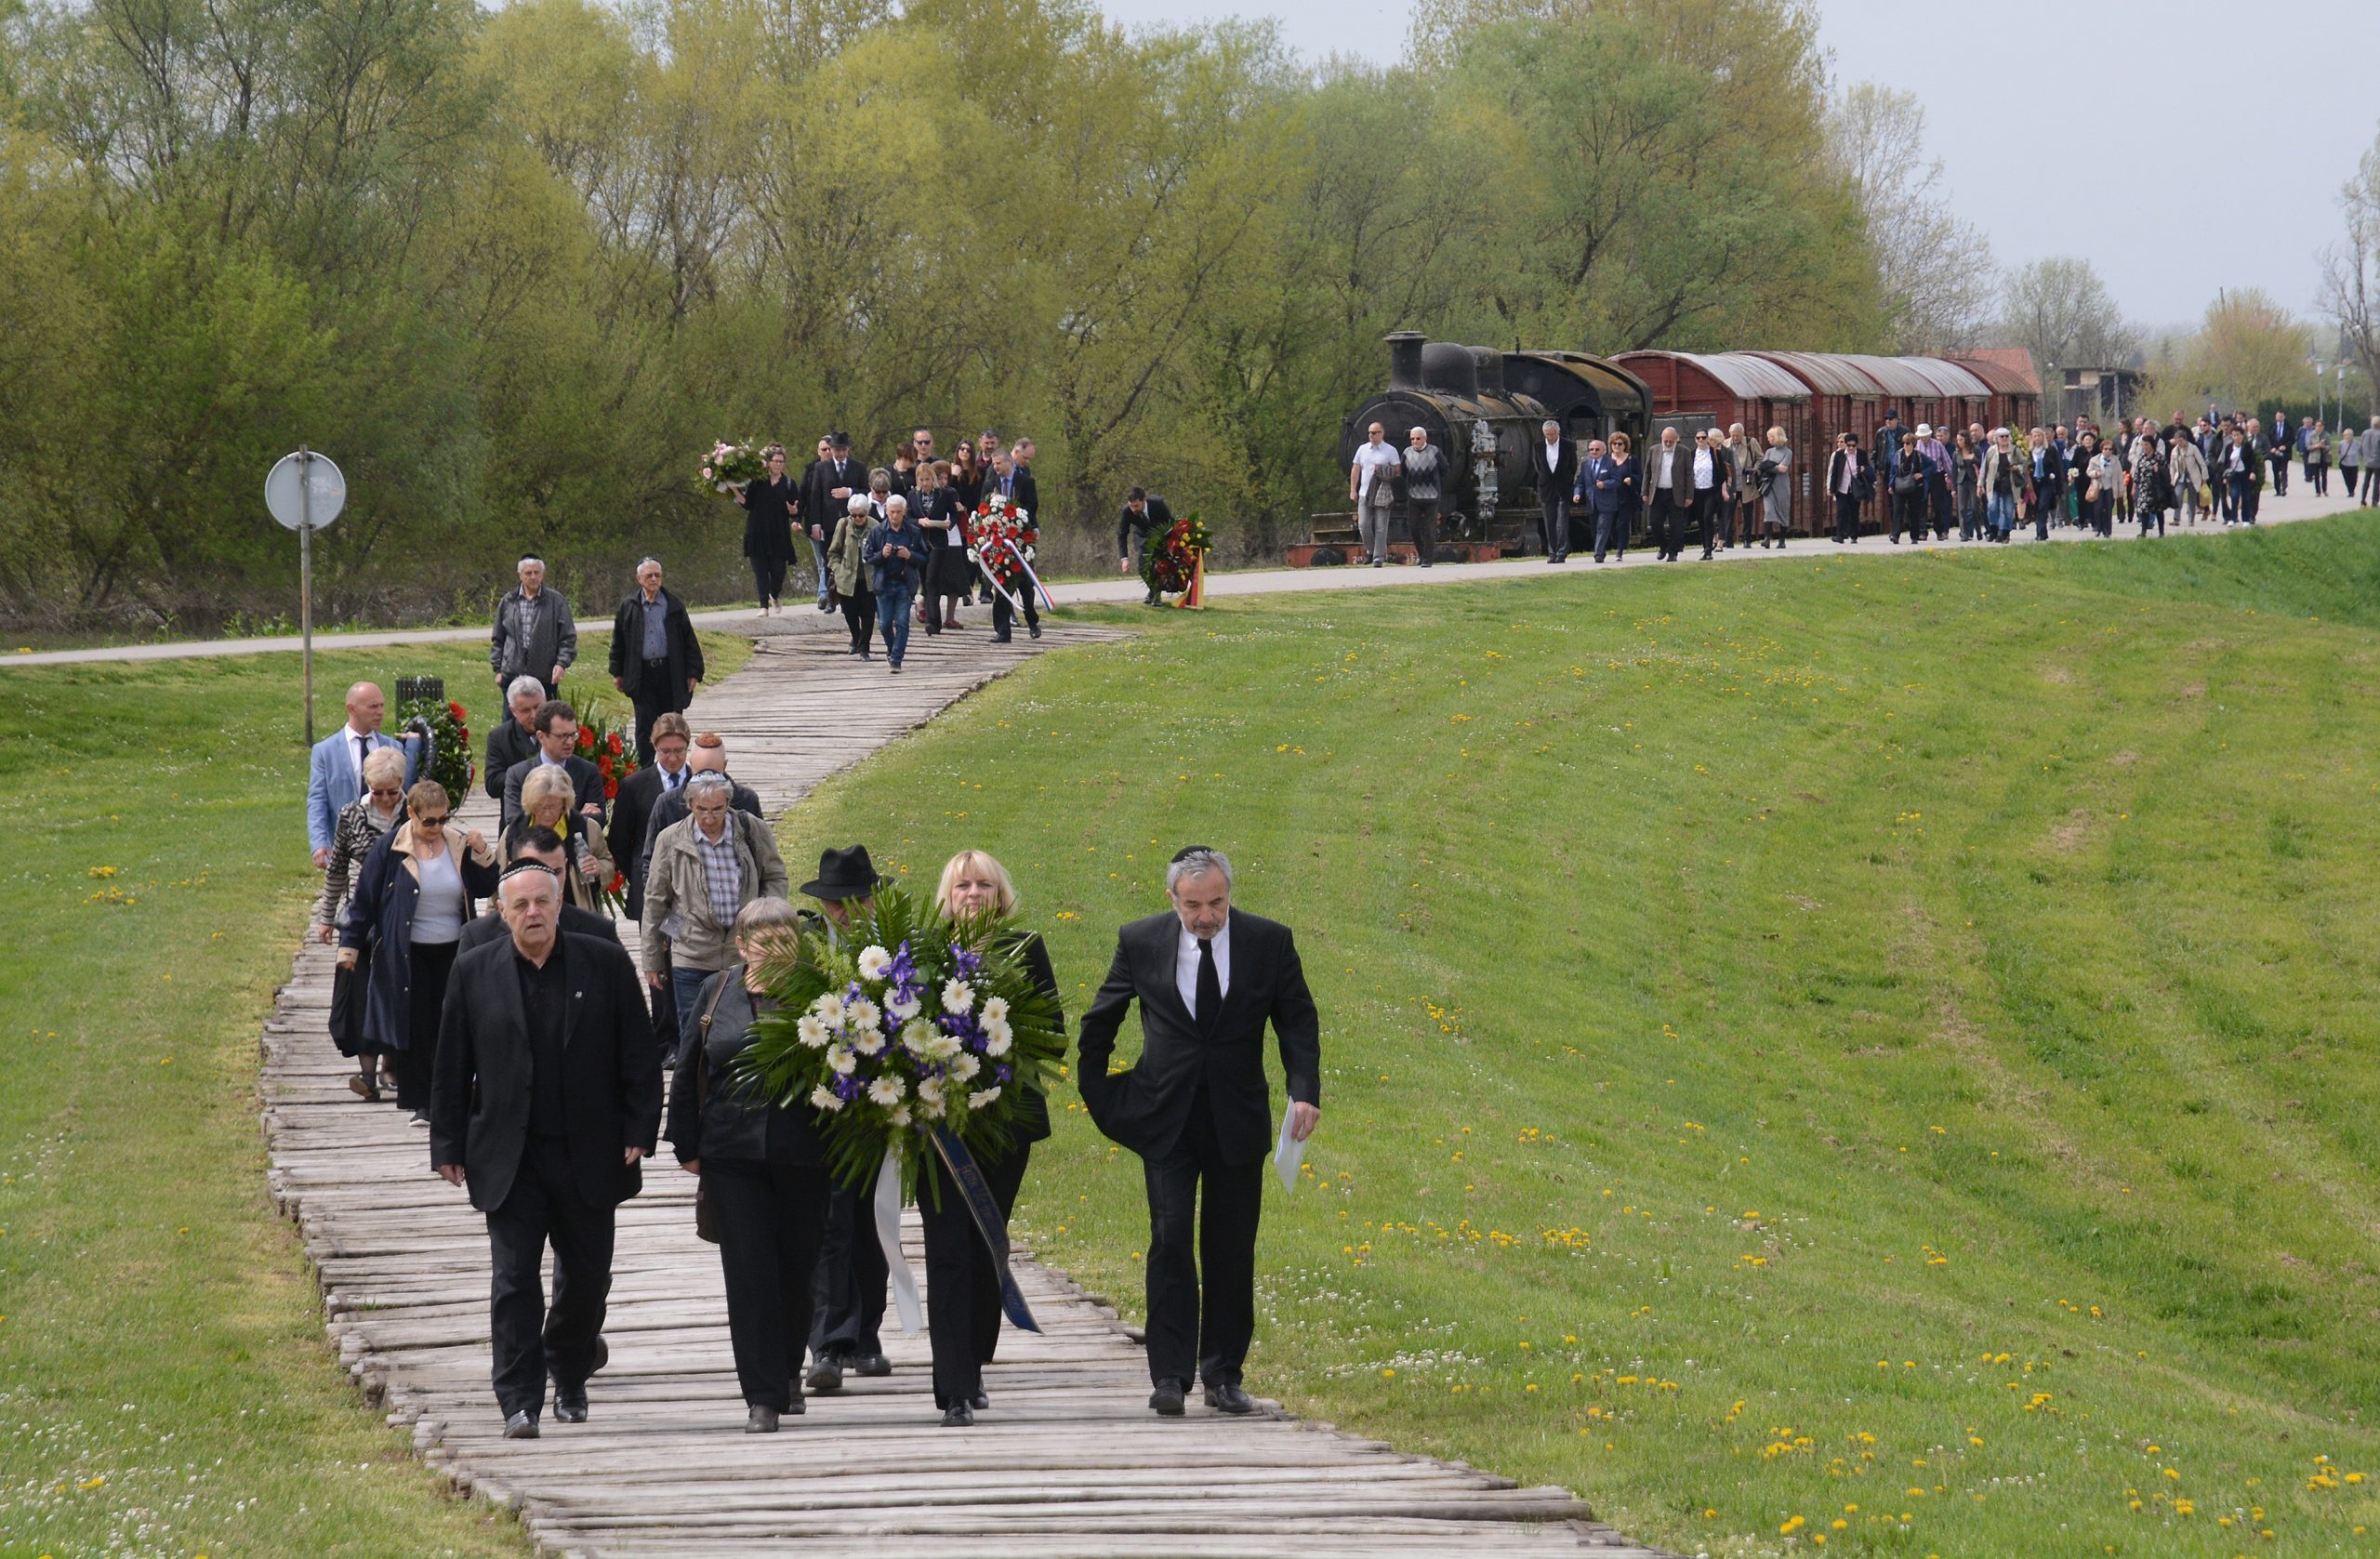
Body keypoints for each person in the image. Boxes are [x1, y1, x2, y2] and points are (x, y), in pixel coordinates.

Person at [1076, 847, 1320, 1419]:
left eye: (1216, 903)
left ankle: (1223, 1374)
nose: (1206, 916)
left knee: (1231, 1247)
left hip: (1238, 1120)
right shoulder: (1140, 941)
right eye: (1193, 905)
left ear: (1229, 894)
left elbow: (1297, 1019)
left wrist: (1303, 1088)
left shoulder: (1269, 942)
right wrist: (1099, 1092)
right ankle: (1168, 1375)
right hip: (1166, 1119)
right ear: (1172, 900)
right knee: (1169, 1241)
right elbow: (1101, 1018)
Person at [430, 861, 662, 1440]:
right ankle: (518, 1397)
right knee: (514, 1279)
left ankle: (569, 1366)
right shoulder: (473, 971)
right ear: (502, 913)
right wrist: (447, 1144)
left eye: (542, 902)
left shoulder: (605, 963)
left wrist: (640, 1128)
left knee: (587, 1279)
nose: (532, 913)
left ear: (559, 905)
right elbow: (451, 1066)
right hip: (510, 1156)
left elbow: (639, 1052)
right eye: (520, 905)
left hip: (591, 1150)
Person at [668, 896, 832, 1433]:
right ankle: (761, 1395)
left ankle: (786, 1370)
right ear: (742, 946)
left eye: (783, 939)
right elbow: (690, 1063)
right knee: (749, 1274)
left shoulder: (823, 997)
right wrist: (686, 1146)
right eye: (761, 940)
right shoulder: (718, 993)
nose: (773, 949)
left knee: (797, 1269)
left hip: (805, 1156)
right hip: (731, 1156)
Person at [919, 850, 1063, 1425]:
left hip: (1006, 1122)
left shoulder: (1025, 950)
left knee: (986, 1243)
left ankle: (975, 1361)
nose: (973, 895)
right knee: (947, 1249)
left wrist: (1002, 1048)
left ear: (999, 894)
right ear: (947, 898)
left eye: (983, 885)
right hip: (940, 1126)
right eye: (962, 887)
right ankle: (952, 1386)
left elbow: (1051, 1033)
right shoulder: (926, 954)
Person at [339, 781, 499, 1121]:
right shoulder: (390, 848)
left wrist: (484, 852)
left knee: (449, 1024)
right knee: (414, 1026)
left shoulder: (456, 844)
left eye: (443, 820)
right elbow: (364, 901)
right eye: (429, 821)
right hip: (406, 951)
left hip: (453, 949)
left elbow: (487, 887)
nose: (437, 828)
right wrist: (349, 947)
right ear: (411, 814)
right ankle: (422, 1102)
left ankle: (448, 1098)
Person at [798, 846, 892, 1392]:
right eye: (836, 902)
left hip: (880, 1104)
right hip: (822, 1107)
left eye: (855, 900)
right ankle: (829, 1342)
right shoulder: (807, 947)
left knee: (872, 1223)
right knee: (832, 1224)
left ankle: (866, 1334)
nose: (844, 912)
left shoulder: (897, 946)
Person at [641, 772, 789, 1039]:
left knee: (742, 1032)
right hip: (692, 953)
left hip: (742, 954)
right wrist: (652, 959)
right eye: (701, 810)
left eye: (717, 810)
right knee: (694, 1035)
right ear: (689, 805)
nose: (709, 818)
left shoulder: (752, 830)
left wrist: (764, 917)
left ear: (728, 804)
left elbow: (775, 876)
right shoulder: (670, 840)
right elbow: (655, 900)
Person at [317, 746, 409, 1102]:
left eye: (392, 790)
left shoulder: (413, 812)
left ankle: (392, 1066)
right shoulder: (351, 814)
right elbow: (338, 866)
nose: (386, 798)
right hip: (360, 919)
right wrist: (327, 918)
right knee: (358, 994)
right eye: (378, 790)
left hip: (402, 917)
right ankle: (367, 1074)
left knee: (397, 990)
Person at [460, 827, 621, 954]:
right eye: (537, 871)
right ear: (513, 866)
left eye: (556, 872)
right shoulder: (478, 939)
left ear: (566, 865)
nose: (549, 882)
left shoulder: (599, 934)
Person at [307, 680, 416, 867]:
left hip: (390, 851)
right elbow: (317, 800)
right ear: (351, 708)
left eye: (382, 706)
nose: (380, 712)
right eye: (373, 707)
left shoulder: (392, 747)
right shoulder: (325, 751)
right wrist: (319, 843)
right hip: (345, 850)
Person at [608, 557, 703, 766]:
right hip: (642, 675)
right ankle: (646, 770)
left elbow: (688, 640)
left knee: (672, 724)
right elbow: (618, 642)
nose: (653, 579)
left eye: (657, 575)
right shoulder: (629, 607)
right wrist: (617, 673)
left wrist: (693, 672)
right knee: (644, 726)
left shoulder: (673, 605)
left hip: (670, 673)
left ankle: (673, 765)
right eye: (649, 575)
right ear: (639, 578)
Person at [506, 766, 615, 913]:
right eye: (540, 807)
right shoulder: (514, 832)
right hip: (528, 914)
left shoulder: (587, 828)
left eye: (552, 806)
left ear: (564, 804)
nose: (546, 813)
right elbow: (499, 878)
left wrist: (598, 868)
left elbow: (607, 861)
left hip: (576, 912)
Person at [501, 699, 605, 831]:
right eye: (562, 736)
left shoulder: (588, 771)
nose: (569, 742)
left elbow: (598, 820)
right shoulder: (518, 774)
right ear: (541, 736)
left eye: (573, 735)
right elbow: (514, 822)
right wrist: (578, 817)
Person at [489, 555, 577, 705]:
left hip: (544, 676)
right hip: (512, 676)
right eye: (528, 573)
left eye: (537, 573)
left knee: (543, 721)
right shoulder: (508, 601)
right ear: (520, 575)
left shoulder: (556, 602)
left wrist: (561, 664)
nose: (533, 577)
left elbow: (567, 638)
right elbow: (498, 638)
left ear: (542, 575)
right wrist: (498, 670)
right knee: (512, 724)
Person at [863, 493, 928, 674]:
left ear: (904, 512)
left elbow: (924, 557)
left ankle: (897, 659)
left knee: (902, 623)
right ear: (886, 511)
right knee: (884, 624)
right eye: (891, 512)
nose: (895, 516)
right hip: (884, 583)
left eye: (898, 512)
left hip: (904, 583)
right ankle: (892, 649)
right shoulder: (878, 532)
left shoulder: (913, 532)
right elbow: (867, 557)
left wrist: (910, 556)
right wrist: (882, 555)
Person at [983, 451, 1042, 641]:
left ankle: (1032, 620)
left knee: (1025, 583)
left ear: (1009, 461)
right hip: (998, 541)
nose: (995, 467)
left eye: (999, 463)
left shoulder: (1025, 482)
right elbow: (982, 508)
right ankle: (1002, 630)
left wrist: (1015, 514)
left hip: (1020, 539)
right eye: (993, 464)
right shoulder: (991, 483)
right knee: (1001, 584)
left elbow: (1032, 506)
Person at [803, 433, 864, 613]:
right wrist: (815, 524)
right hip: (828, 522)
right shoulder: (822, 468)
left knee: (851, 560)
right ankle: (831, 598)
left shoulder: (858, 467)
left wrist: (850, 492)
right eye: (837, 450)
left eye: (844, 450)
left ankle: (850, 600)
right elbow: (815, 496)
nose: (840, 453)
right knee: (830, 561)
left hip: (852, 521)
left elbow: (867, 490)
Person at [737, 446, 800, 615]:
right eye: (775, 461)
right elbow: (747, 503)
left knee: (779, 571)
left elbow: (796, 510)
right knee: (760, 571)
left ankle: (775, 594)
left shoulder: (788, 484)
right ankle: (763, 606)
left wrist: (793, 512)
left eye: (781, 461)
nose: (778, 465)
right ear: (768, 463)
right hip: (757, 532)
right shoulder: (757, 482)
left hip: (779, 534)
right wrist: (733, 489)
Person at [914, 461, 970, 633]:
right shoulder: (913, 496)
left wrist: (950, 522)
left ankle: (935, 620)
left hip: (942, 540)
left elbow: (955, 514)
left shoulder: (946, 494)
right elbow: (909, 515)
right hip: (922, 542)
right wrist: (918, 521)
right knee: (927, 581)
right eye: (922, 479)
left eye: (928, 479)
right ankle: (932, 618)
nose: (925, 483)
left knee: (934, 579)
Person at [827, 494, 877, 658]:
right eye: (854, 515)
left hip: (869, 579)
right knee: (851, 615)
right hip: (847, 579)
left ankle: (865, 649)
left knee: (868, 616)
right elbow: (833, 552)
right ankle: (856, 639)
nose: (857, 518)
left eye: (861, 515)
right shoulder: (843, 525)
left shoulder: (875, 526)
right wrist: (838, 569)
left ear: (867, 513)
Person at [483, 676, 545, 803]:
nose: (534, 715)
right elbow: (492, 785)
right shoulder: (500, 737)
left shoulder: (562, 731)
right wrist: (536, 771)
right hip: (518, 814)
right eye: (526, 710)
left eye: (538, 707)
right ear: (513, 711)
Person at [1349, 421, 1402, 567]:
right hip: (1364, 493)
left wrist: (1382, 470)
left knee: (1380, 526)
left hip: (1382, 493)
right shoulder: (1362, 449)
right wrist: (1353, 490)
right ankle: (1371, 551)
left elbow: (1398, 470)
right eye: (1369, 433)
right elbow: (1356, 469)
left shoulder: (1390, 451)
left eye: (1374, 433)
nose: (1371, 436)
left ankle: (1378, 557)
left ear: (1382, 434)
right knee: (1363, 524)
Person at [1527, 419, 1576, 562]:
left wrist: (1566, 480)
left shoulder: (1568, 445)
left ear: (1558, 432)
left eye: (1552, 434)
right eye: (1547, 435)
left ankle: (1561, 553)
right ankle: (1552, 553)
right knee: (1549, 522)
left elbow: (1573, 466)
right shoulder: (1538, 447)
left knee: (1562, 522)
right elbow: (1538, 467)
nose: (1550, 437)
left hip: (1563, 487)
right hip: (1546, 488)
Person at [1396, 429, 1443, 567]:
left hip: (1431, 496)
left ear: (1424, 439)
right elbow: (1404, 472)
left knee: (1429, 529)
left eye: (1418, 438)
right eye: (1412, 439)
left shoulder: (1435, 452)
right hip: (1414, 496)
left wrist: (1433, 483)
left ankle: (1428, 560)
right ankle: (1422, 554)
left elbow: (1444, 469)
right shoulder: (1407, 453)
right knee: (1413, 527)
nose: (1415, 441)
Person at [1118, 487, 1174, 601]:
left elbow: (1170, 523)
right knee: (1143, 567)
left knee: (1162, 567)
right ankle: (1156, 594)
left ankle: (1155, 591)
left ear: (1144, 500)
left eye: (1136, 506)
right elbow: (1122, 534)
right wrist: (1124, 559)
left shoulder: (1158, 503)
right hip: (1143, 538)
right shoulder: (1126, 511)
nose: (1133, 509)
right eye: (1131, 506)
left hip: (1162, 535)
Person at [1644, 426, 1690, 562]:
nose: (1668, 444)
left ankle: (1673, 552)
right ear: (1662, 439)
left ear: (1676, 439)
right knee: (1655, 523)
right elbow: (1647, 472)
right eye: (1666, 441)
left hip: (1675, 493)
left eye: (1671, 441)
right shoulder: (1654, 450)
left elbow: (1689, 474)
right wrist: (1645, 491)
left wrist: (1689, 495)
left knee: (1676, 525)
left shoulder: (1684, 451)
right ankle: (1663, 546)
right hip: (1658, 493)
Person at [1572, 438, 1620, 563]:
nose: (1593, 452)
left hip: (1606, 503)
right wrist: (1577, 494)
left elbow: (1617, 480)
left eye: (1596, 449)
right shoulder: (1586, 464)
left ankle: (1598, 554)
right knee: (1594, 530)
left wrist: (1605, 484)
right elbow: (1580, 482)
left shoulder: (1611, 463)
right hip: (1592, 502)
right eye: (1591, 449)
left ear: (1603, 451)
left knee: (1602, 528)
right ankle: (1601, 551)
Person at [1978, 428, 2024, 545]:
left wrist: (2016, 468)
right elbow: (1984, 468)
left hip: (2009, 484)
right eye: (2001, 436)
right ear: (1996, 439)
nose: (2004, 438)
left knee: (2008, 510)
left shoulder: (2015, 450)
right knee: (1992, 506)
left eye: (2006, 436)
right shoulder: (1991, 451)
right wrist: (1980, 485)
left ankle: (2005, 532)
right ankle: (1994, 528)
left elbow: (2023, 464)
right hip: (1994, 483)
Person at [1687, 429, 1726, 560]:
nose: (1701, 440)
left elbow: (1723, 473)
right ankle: (1705, 547)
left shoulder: (1715, 453)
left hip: (1711, 491)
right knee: (1701, 520)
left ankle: (1709, 549)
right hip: (1697, 492)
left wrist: (1722, 490)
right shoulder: (1692, 455)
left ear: (1708, 439)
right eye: (1698, 438)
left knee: (1707, 517)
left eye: (1703, 438)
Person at [1601, 430, 1637, 562]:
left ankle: (1620, 550)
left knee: (1622, 524)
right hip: (1609, 497)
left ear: (1625, 445)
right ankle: (1615, 544)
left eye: (1620, 444)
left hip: (1625, 497)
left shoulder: (1632, 460)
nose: (1617, 446)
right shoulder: (1606, 461)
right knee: (1610, 526)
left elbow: (1640, 476)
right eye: (1614, 444)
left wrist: (1631, 479)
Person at [1826, 432, 1869, 545]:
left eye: (1853, 446)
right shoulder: (1839, 455)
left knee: (1854, 511)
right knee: (1841, 512)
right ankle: (1840, 535)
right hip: (1842, 487)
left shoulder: (1861, 454)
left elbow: (1867, 470)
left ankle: (1853, 535)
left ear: (1857, 445)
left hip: (1855, 487)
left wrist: (1864, 470)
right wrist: (1831, 488)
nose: (1851, 448)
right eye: (1848, 445)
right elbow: (1834, 472)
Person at [1725, 423, 1760, 551]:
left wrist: (1754, 469)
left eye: (1737, 436)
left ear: (1742, 434)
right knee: (1728, 513)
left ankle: (1747, 539)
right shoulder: (1725, 444)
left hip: (1747, 484)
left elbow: (1760, 458)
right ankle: (1728, 540)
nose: (1734, 438)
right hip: (1732, 486)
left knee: (1748, 513)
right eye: (1733, 435)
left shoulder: (1751, 443)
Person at [1755, 426, 1792, 547]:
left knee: (1783, 511)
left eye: (1770, 437)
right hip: (1769, 485)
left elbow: (1783, 469)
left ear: (1776, 437)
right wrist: (1774, 466)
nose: (1768, 439)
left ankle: (1782, 541)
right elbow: (1763, 467)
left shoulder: (1787, 452)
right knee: (1769, 510)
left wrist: (1770, 466)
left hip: (1782, 486)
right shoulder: (1769, 452)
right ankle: (1767, 538)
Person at [2027, 427, 2062, 542]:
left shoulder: (2050, 450)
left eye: (2039, 436)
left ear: (2043, 437)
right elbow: (2026, 468)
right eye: (2035, 436)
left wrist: (2058, 484)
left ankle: (2041, 531)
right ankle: (2041, 532)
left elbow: (2057, 467)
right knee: (2037, 507)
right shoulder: (2029, 452)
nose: (2037, 438)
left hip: (2047, 482)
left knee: (2043, 505)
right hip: (2034, 483)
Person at [2168, 427, 2209, 527]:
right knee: (2178, 496)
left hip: (2192, 477)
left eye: (2181, 441)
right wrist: (2172, 478)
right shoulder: (2174, 451)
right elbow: (2172, 466)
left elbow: (2202, 463)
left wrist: (2204, 478)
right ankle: (2176, 519)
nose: (2179, 443)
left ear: (2185, 439)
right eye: (2177, 441)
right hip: (2180, 477)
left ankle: (2191, 520)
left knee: (2192, 499)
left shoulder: (2193, 448)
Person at [2132, 430, 2169, 537]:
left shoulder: (2159, 457)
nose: (2145, 447)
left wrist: (2159, 470)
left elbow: (2166, 471)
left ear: (2152, 445)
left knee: (2158, 510)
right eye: (2143, 445)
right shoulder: (2142, 457)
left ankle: (2161, 532)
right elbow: (2137, 472)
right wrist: (2134, 487)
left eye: (2146, 445)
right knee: (2143, 509)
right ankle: (2143, 531)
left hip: (2156, 487)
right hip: (2144, 487)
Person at [1889, 432, 1924, 543]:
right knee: (1897, 510)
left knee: (1914, 511)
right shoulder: (1898, 455)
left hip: (1914, 487)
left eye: (1908, 443)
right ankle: (1895, 535)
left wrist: (1923, 474)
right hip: (1899, 485)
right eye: (1903, 443)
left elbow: (1932, 465)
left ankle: (1914, 536)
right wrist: (1891, 485)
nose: (1905, 445)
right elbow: (1893, 471)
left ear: (1913, 444)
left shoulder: (1918, 455)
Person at [1952, 430, 1980, 541]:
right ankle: (1964, 533)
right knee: (1962, 508)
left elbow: (1981, 463)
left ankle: (1978, 529)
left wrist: (1973, 458)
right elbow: (1954, 470)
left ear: (1966, 439)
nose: (1959, 442)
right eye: (1958, 440)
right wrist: (1954, 488)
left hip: (1973, 480)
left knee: (1974, 507)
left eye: (1961, 440)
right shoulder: (1956, 453)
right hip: (1961, 481)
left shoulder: (1976, 449)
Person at [2304, 419, 2330, 496]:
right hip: (2314, 457)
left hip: (2324, 457)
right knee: (2316, 475)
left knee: (2324, 474)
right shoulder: (2312, 435)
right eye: (2317, 426)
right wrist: (2316, 446)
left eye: (2320, 426)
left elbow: (2329, 446)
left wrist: (2324, 446)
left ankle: (2325, 490)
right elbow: (2308, 446)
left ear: (2323, 427)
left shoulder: (2326, 435)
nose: (2318, 427)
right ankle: (2318, 491)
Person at [2268, 412, 2292, 496]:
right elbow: (2269, 438)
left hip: (2285, 452)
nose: (2279, 418)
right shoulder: (2272, 426)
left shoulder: (2288, 427)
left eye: (2281, 416)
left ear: (2284, 417)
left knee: (2283, 471)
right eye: (2278, 416)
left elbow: (2292, 439)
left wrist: (2285, 446)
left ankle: (2283, 487)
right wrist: (2271, 448)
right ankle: (2277, 489)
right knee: (2275, 471)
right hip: (2274, 452)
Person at [2360, 417, 2380, 504]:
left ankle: (2363, 499)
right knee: (2376, 481)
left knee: (2366, 481)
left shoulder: (2365, 433)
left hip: (2368, 461)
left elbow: (2361, 447)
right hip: (2378, 461)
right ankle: (2374, 501)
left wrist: (2364, 456)